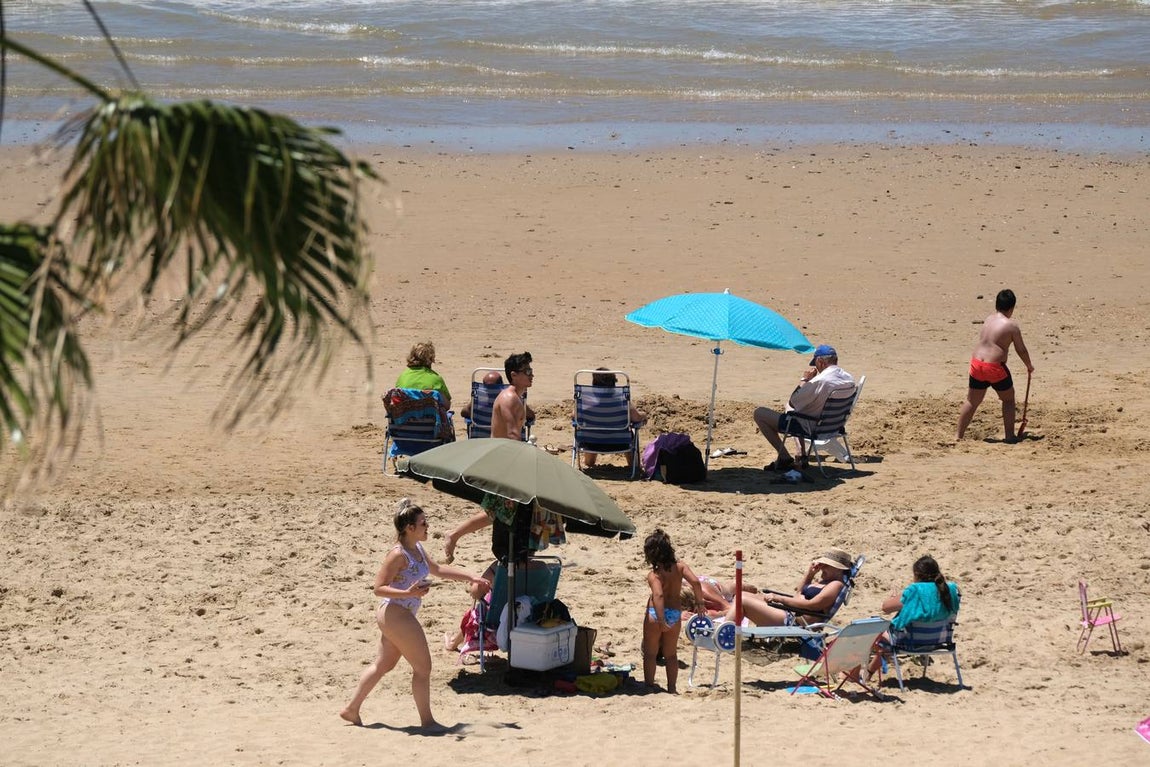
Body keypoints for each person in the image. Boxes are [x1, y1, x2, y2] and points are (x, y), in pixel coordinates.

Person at [340, 498, 489, 731]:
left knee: (383, 665)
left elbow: (438, 570)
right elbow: (378, 588)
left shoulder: (417, 548)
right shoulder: (398, 555)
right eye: (423, 523)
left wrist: (471, 576)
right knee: (423, 668)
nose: (427, 526)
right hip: (395, 614)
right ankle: (428, 722)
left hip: (399, 614)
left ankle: (351, 709)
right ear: (410, 528)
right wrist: (408, 592)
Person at [443, 352, 535, 564]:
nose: (531, 375)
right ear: (514, 375)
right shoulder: (510, 398)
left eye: (531, 370)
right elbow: (513, 434)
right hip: (504, 462)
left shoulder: (516, 397)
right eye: (527, 371)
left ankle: (454, 535)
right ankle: (455, 535)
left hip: (505, 459)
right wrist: (526, 461)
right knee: (503, 510)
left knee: (497, 511)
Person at [753, 344, 855, 472]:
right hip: (834, 427)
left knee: (760, 413)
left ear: (820, 361)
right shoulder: (849, 379)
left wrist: (805, 380)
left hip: (812, 427)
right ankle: (800, 452)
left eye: (816, 364)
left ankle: (785, 457)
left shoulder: (820, 381)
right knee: (794, 410)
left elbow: (794, 401)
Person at [864, 554, 961, 680]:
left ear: (917, 574)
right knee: (887, 642)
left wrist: (894, 598)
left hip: (910, 642)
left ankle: (857, 673)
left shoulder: (914, 590)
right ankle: (869, 672)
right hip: (937, 641)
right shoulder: (950, 590)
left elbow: (886, 608)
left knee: (870, 628)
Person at [957, 289, 1035, 442]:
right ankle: (1009, 436)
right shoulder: (1012, 326)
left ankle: (958, 436)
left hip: (977, 364)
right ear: (1011, 308)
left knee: (972, 401)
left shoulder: (989, 319)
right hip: (994, 367)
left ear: (996, 305)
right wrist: (1029, 365)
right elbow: (1021, 349)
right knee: (1008, 399)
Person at [642, 528, 705, 693]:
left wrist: (661, 619)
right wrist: (700, 603)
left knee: (650, 653)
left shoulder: (654, 575)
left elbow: (658, 595)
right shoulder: (681, 567)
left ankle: (649, 686)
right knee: (671, 655)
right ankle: (671, 688)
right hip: (674, 614)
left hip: (656, 614)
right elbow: (696, 582)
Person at [730, 548, 853, 627]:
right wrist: (810, 574)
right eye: (822, 564)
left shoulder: (835, 584)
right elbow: (798, 593)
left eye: (827, 565)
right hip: (789, 611)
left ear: (838, 569)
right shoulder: (825, 581)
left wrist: (779, 598)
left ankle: (724, 634)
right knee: (741, 595)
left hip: (793, 620)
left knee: (742, 600)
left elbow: (813, 605)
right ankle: (732, 630)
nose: (822, 568)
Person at [577, 367, 648, 469]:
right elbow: (636, 418)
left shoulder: (585, 400)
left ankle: (589, 462)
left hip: (591, 443)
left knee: (589, 426)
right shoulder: (622, 400)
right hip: (620, 443)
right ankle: (633, 465)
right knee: (631, 430)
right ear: (614, 383)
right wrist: (644, 415)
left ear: (593, 383)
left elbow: (574, 416)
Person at [395, 341, 451, 410]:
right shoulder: (436, 378)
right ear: (431, 359)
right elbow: (447, 405)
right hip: (430, 416)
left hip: (406, 416)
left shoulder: (402, 377)